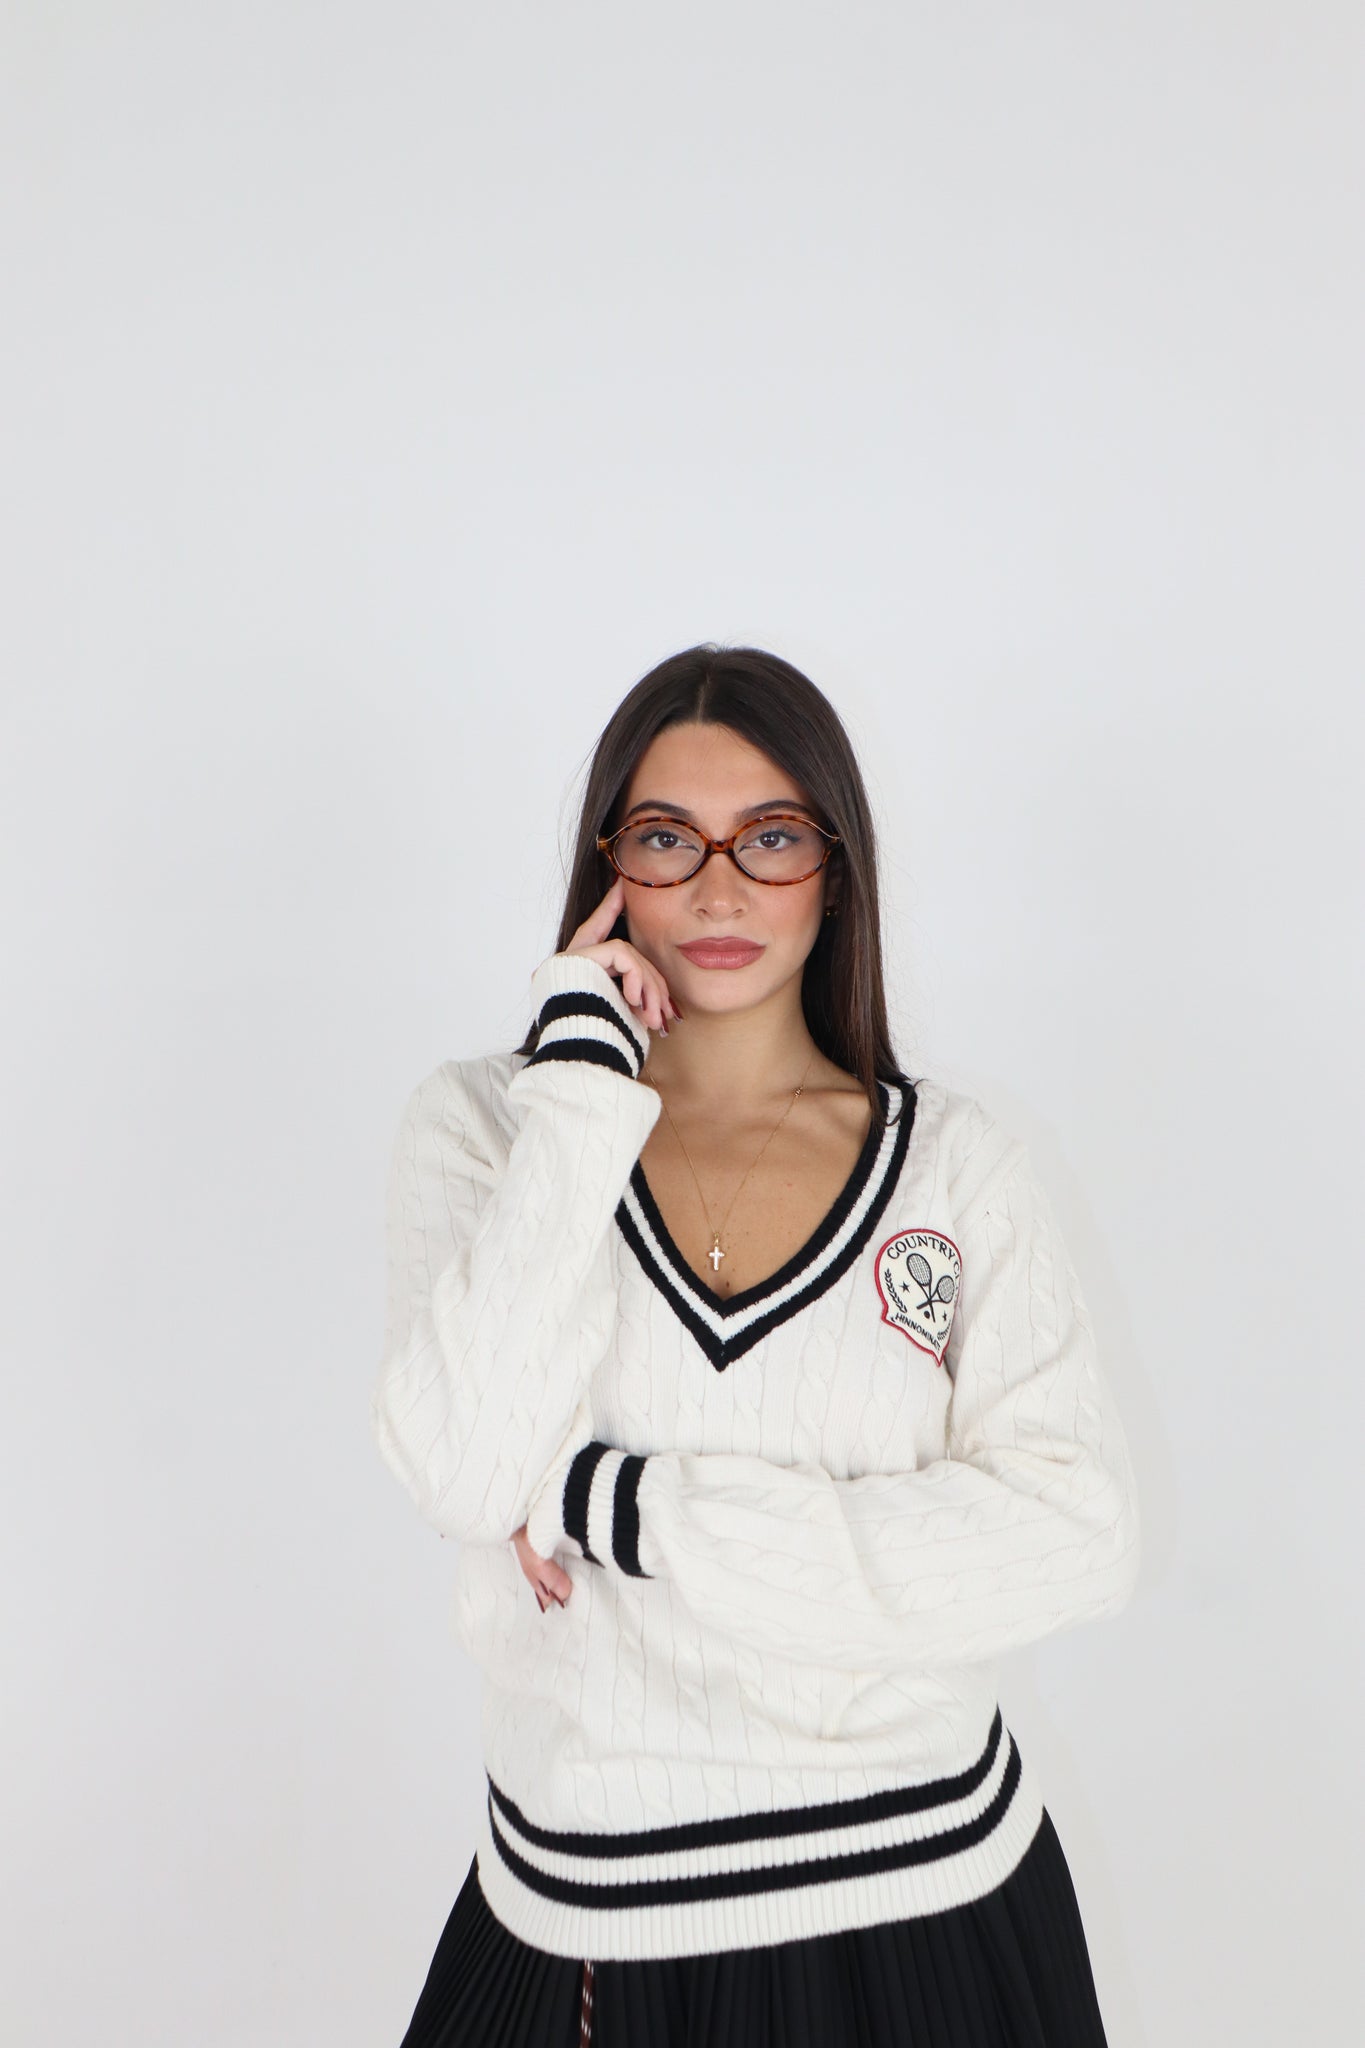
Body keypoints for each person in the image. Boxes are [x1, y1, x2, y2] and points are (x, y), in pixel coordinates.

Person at [371, 643, 1141, 2047]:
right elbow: (466, 1468)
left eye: (771, 837)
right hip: (587, 1917)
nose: (718, 890)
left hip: (932, 1900)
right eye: (668, 839)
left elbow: (1074, 1537)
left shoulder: (956, 1165)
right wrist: (581, 1080)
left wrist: (613, 1502)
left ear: (835, 870)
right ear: (609, 867)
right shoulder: (491, 1129)